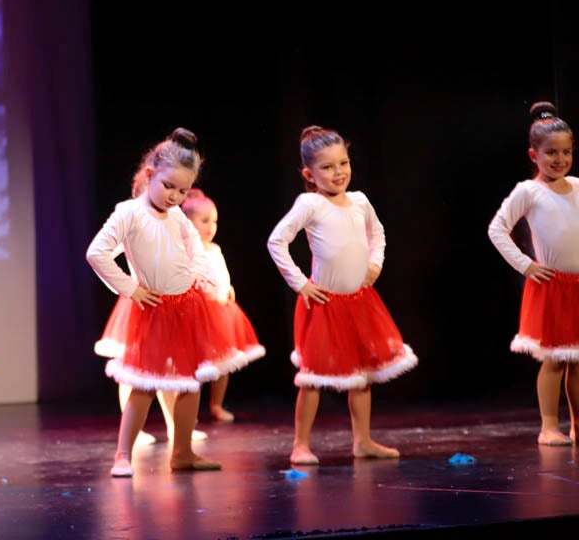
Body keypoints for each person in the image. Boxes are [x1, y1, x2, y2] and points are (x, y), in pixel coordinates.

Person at [87, 128, 254, 478]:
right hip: (152, 309)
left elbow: (194, 246)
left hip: (188, 308)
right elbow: (97, 253)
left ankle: (182, 453)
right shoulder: (128, 213)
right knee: (145, 384)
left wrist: (195, 276)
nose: (174, 196)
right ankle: (122, 455)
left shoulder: (177, 214)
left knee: (190, 382)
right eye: (168, 187)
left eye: (182, 190)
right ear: (150, 175)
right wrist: (129, 288)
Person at [266, 125, 418, 466]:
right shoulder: (310, 203)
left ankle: (362, 441)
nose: (338, 173)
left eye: (343, 163)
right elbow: (277, 241)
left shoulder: (360, 201)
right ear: (309, 173)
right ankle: (300, 445)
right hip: (325, 305)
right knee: (313, 379)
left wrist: (375, 265)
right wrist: (300, 283)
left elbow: (377, 234)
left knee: (361, 375)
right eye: (328, 167)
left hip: (360, 303)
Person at [487, 101, 579, 446]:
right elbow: (497, 229)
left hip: (578, 285)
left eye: (566, 152)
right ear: (533, 154)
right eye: (551, 153)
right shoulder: (529, 191)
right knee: (554, 359)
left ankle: (578, 424)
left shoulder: (577, 187)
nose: (559, 159)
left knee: (578, 361)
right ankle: (549, 425)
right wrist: (526, 265)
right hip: (552, 285)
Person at [181, 188, 266, 423]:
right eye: (205, 221)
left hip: (220, 313)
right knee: (195, 366)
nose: (211, 227)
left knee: (224, 363)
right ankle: (189, 411)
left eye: (214, 221)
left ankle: (216, 405)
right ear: (188, 223)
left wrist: (227, 286)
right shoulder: (187, 251)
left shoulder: (215, 249)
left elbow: (221, 272)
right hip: (198, 315)